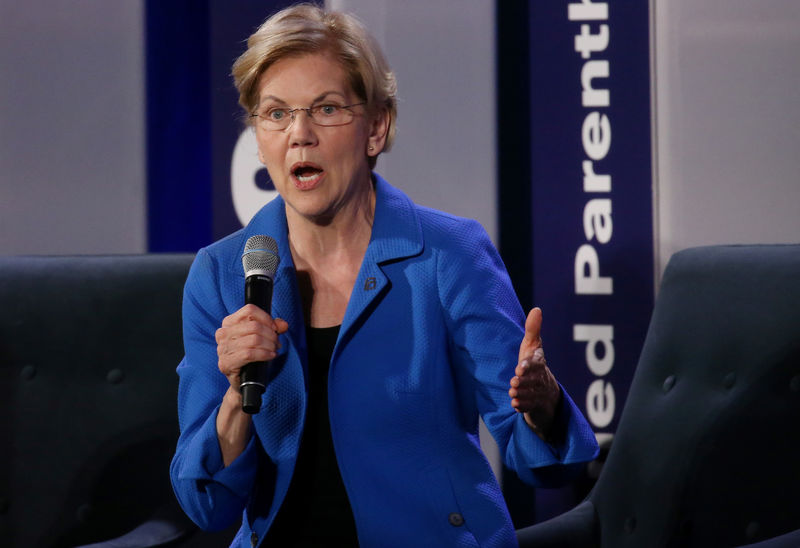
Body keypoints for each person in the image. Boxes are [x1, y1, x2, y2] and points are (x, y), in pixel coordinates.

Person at [170, 4, 599, 547]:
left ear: (377, 127)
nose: (299, 134)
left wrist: (543, 406)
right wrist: (235, 397)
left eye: (325, 109)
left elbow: (542, 463)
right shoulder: (221, 275)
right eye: (275, 114)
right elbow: (205, 502)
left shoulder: (448, 254)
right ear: (258, 137)